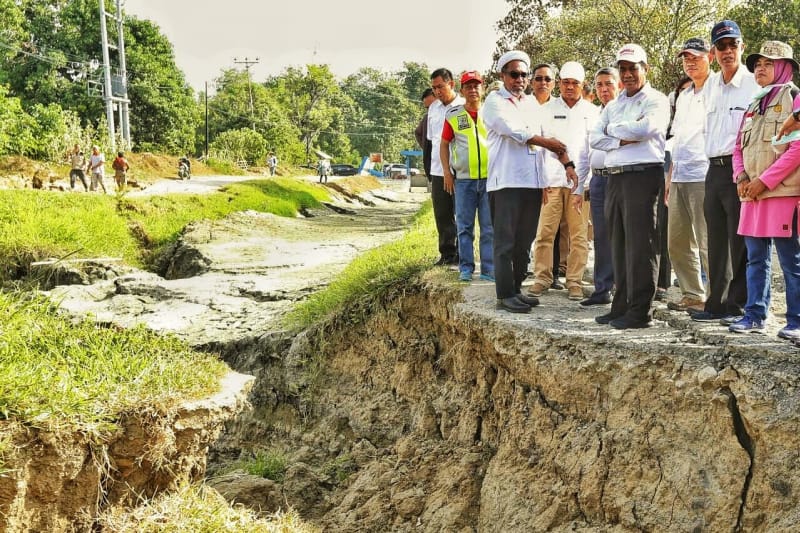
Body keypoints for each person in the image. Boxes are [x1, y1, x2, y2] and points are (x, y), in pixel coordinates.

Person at [482, 50, 571, 313]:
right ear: (503, 75)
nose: (519, 79)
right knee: (505, 242)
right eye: (514, 74)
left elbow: (547, 136)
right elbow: (515, 131)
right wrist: (548, 142)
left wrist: (563, 166)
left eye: (524, 74)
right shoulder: (495, 101)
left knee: (524, 242)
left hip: (532, 183)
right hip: (506, 182)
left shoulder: (532, 105)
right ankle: (503, 294)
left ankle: (515, 289)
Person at [589, 43, 670, 329]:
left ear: (645, 69)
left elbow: (646, 129)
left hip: (643, 175)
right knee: (619, 244)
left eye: (632, 68)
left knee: (641, 245)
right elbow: (594, 138)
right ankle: (620, 305)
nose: (627, 74)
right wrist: (621, 133)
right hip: (615, 177)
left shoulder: (656, 100)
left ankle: (639, 312)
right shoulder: (613, 105)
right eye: (622, 69)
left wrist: (613, 131)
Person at [728, 40, 800, 340]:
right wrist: (741, 177)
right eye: (758, 63)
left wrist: (764, 181)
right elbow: (737, 147)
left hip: (782, 194)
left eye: (769, 63)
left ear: (784, 67)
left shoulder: (795, 98)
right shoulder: (754, 103)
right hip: (753, 195)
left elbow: (797, 148)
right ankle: (754, 315)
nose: (760, 67)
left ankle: (796, 321)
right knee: (755, 258)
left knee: (790, 261)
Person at [690, 20, 759, 324]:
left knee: (739, 241)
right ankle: (715, 303)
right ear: (714, 51)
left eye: (733, 45)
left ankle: (738, 305)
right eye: (721, 46)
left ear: (742, 46)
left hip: (740, 170)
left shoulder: (754, 85)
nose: (727, 51)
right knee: (715, 239)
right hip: (713, 169)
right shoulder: (711, 86)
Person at [530, 61, 597, 301]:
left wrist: (587, 183)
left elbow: (593, 150)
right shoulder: (546, 110)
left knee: (579, 235)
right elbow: (538, 147)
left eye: (575, 83)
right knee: (545, 231)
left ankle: (574, 282)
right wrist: (540, 180)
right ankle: (542, 278)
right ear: (559, 84)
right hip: (551, 181)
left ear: (582, 85)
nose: (570, 87)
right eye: (566, 82)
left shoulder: (593, 111)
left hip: (580, 183)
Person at [665, 38, 713, 314]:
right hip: (681, 173)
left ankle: (718, 298)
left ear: (710, 57)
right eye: (686, 58)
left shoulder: (718, 89)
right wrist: (670, 177)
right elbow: (677, 138)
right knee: (678, 241)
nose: (691, 61)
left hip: (705, 174)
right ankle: (693, 294)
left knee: (707, 241)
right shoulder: (682, 96)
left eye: (696, 56)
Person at [440, 70, 494, 283]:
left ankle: (488, 269)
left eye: (476, 85)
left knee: (489, 227)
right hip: (463, 180)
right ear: (462, 90)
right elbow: (444, 144)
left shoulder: (491, 113)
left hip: (490, 179)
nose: (473, 90)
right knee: (464, 226)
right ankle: (466, 268)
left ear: (483, 88)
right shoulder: (454, 115)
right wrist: (447, 172)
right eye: (468, 86)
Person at [580, 67, 621, 307]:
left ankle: (622, 288)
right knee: (602, 236)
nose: (604, 89)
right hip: (597, 180)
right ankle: (602, 288)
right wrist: (581, 184)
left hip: (618, 178)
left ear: (617, 85)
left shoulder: (623, 111)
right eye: (599, 85)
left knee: (621, 234)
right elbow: (586, 151)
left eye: (608, 84)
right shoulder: (595, 114)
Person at [531, 62, 568, 287]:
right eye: (538, 78)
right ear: (531, 81)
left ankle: (553, 274)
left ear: (554, 83)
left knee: (552, 229)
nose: (543, 83)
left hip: (553, 177)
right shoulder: (523, 105)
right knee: (533, 227)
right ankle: (535, 271)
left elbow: (559, 144)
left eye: (547, 79)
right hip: (526, 175)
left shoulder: (559, 108)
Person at [428, 68, 464, 266]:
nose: (437, 92)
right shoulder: (433, 108)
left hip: (459, 170)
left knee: (462, 212)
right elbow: (431, 140)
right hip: (437, 170)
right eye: (434, 88)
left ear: (451, 84)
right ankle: (447, 253)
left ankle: (462, 253)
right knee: (442, 214)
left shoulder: (463, 106)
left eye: (440, 87)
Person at [414, 88, 436, 180]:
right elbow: (417, 132)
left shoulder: (452, 114)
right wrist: (427, 148)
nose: (430, 110)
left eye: (433, 106)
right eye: (428, 108)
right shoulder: (427, 119)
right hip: (435, 170)